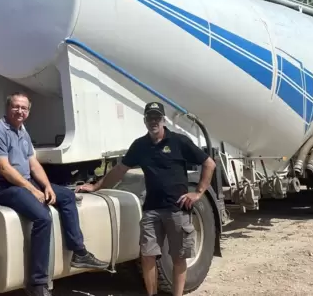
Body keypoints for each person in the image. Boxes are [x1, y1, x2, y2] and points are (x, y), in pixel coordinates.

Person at [76, 101, 217, 296]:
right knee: (148, 255)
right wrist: (95, 186)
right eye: (150, 117)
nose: (153, 121)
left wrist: (199, 193)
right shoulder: (140, 146)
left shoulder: (179, 141)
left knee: (178, 257)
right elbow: (119, 171)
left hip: (177, 209)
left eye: (157, 117)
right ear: (145, 121)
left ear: (163, 120)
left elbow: (209, 163)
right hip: (151, 209)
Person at [0, 92, 108, 296]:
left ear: (28, 112)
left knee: (66, 196)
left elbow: (33, 164)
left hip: (23, 183)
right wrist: (32, 190)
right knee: (42, 217)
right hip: (3, 187)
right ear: (8, 108)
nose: (20, 111)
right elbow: (4, 169)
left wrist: (47, 186)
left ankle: (79, 251)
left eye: (24, 108)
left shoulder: (22, 131)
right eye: (16, 106)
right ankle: (37, 283)